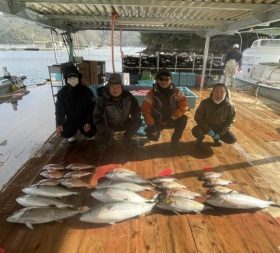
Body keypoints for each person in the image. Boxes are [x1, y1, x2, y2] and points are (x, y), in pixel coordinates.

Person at [93, 73, 141, 147]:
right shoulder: (102, 100)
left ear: (121, 87)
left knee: (138, 121)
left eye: (118, 87)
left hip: (125, 126)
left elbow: (136, 113)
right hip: (109, 129)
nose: (115, 90)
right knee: (105, 151)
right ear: (108, 87)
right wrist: (108, 134)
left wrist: (128, 133)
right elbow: (98, 120)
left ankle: (126, 138)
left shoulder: (129, 98)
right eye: (113, 87)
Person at [141, 69, 188, 145]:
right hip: (157, 121)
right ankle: (156, 133)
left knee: (183, 119)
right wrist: (151, 124)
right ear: (157, 80)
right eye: (161, 79)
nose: (164, 81)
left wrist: (174, 116)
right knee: (151, 136)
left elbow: (184, 105)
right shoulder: (151, 94)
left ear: (171, 80)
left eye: (167, 79)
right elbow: (145, 110)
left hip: (171, 120)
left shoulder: (177, 92)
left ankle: (175, 140)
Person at [55, 64, 96, 143]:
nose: (72, 79)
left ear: (78, 77)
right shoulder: (62, 93)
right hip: (71, 119)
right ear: (66, 79)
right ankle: (72, 134)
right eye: (70, 77)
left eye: (75, 77)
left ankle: (86, 132)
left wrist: (89, 122)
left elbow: (93, 109)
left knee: (92, 132)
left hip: (85, 120)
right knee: (65, 132)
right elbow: (59, 111)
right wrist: (59, 124)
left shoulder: (87, 91)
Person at [192, 83, 236, 147]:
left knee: (232, 139)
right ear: (212, 92)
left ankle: (217, 139)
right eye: (216, 91)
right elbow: (198, 118)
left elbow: (230, 121)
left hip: (220, 128)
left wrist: (220, 133)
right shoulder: (205, 103)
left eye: (222, 92)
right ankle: (199, 140)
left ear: (226, 93)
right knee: (196, 131)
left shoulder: (230, 106)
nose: (219, 94)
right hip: (206, 126)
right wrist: (209, 130)